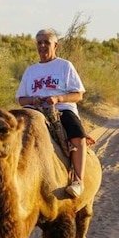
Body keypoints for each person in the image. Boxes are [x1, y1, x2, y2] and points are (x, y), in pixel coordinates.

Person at [16, 28, 89, 198]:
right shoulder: (30, 71)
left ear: (55, 45)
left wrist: (58, 99)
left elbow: (78, 94)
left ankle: (78, 180)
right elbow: (21, 99)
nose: (42, 46)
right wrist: (33, 100)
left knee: (77, 135)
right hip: (34, 110)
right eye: (39, 42)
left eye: (46, 42)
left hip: (62, 109)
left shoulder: (65, 66)